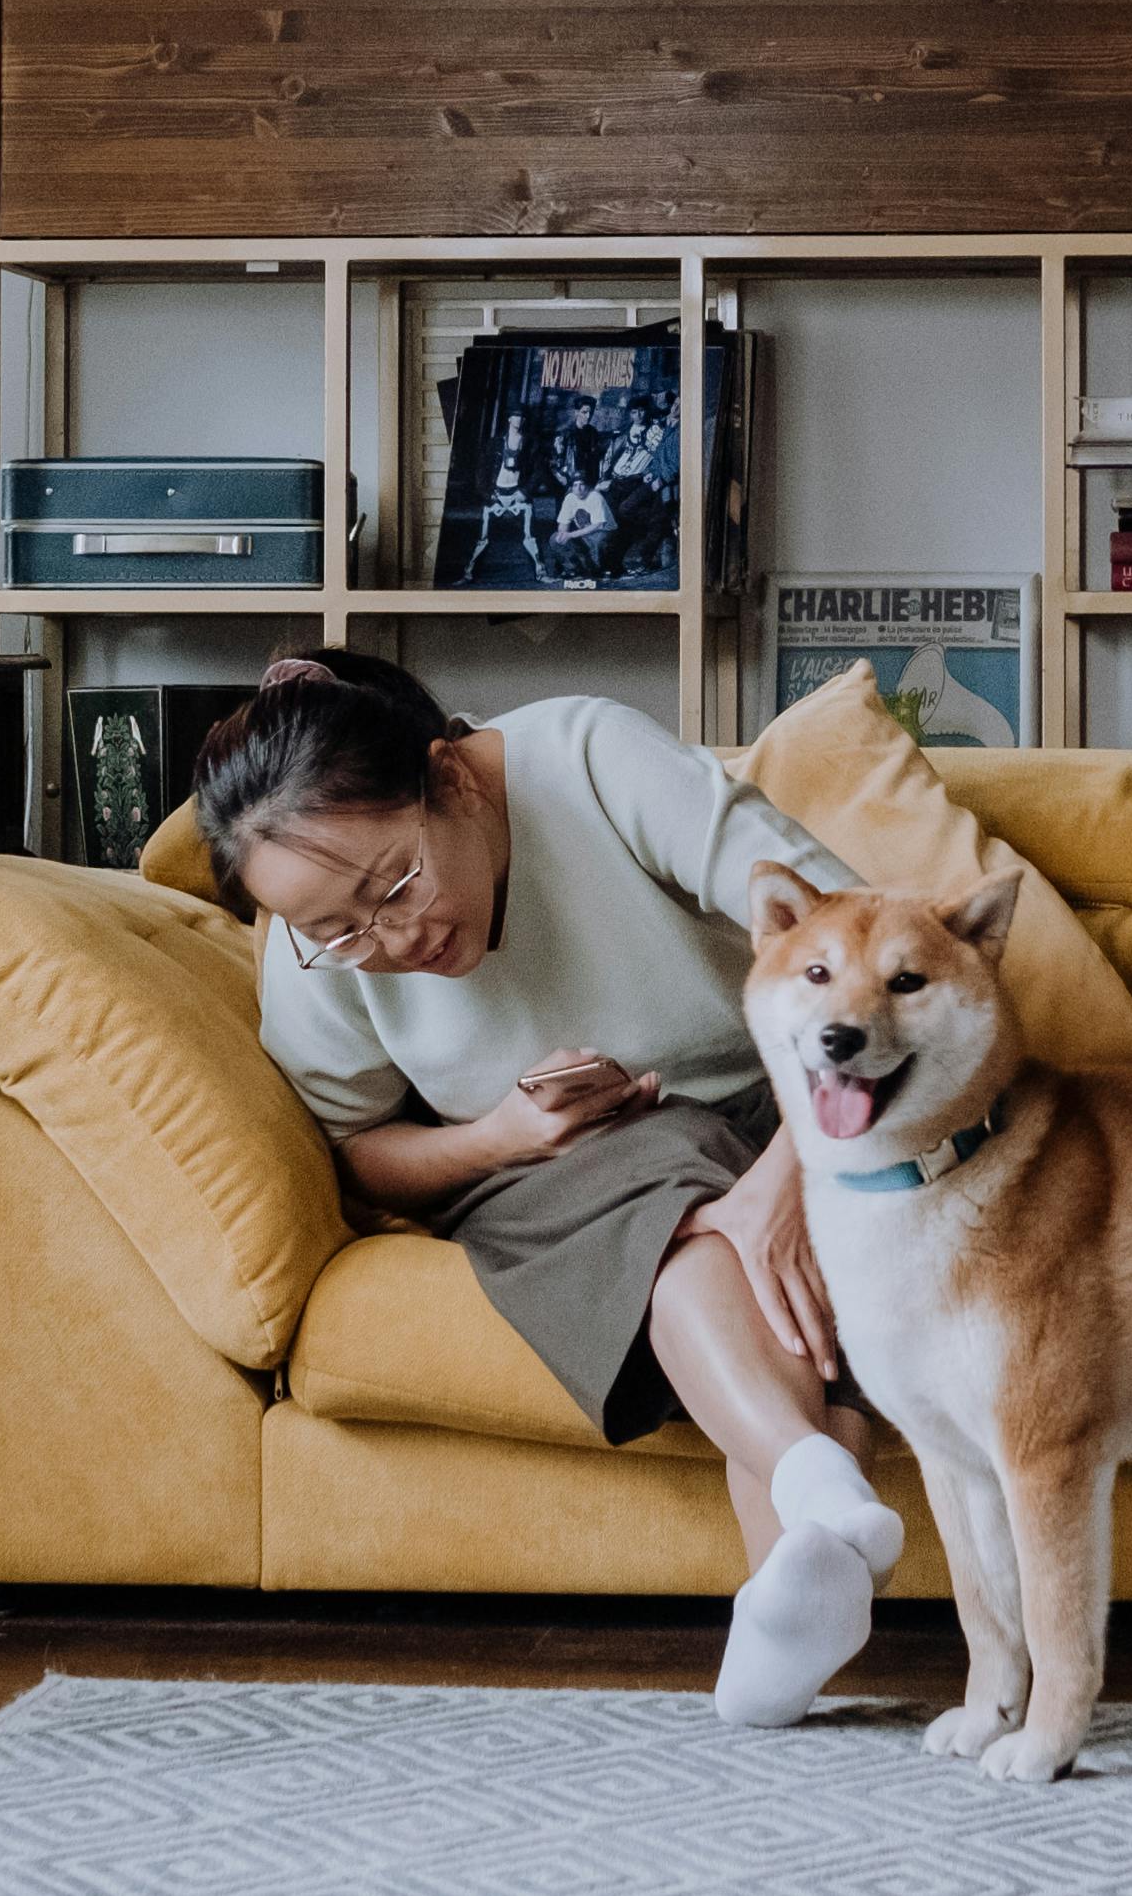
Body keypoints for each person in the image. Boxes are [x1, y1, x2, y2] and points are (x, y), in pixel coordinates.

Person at [207, 655, 906, 1728]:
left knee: (760, 1198)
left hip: (787, 1105)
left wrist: (784, 1181)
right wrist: (499, 1134)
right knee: (675, 1195)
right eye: (339, 932)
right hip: (555, 1176)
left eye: (394, 884)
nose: (393, 940)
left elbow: (846, 942)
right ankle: (813, 1488)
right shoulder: (323, 949)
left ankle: (803, 1567)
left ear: (453, 777)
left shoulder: (586, 758)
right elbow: (356, 1146)